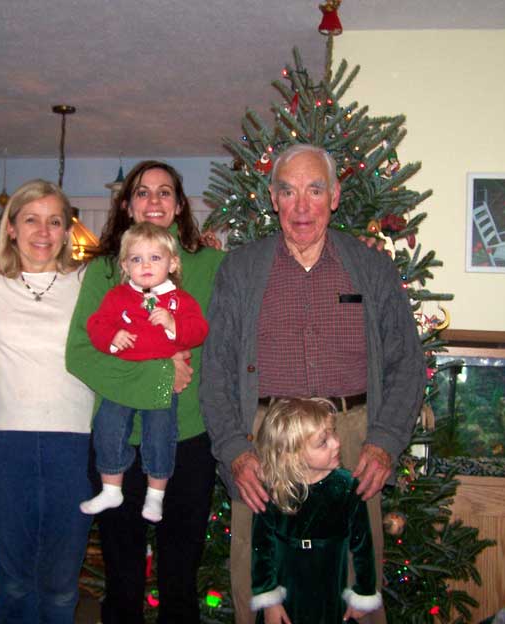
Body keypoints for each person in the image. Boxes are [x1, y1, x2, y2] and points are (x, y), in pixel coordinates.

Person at [200, 143, 426, 624]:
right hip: (265, 440)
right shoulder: (240, 269)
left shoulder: (371, 267)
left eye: (315, 190)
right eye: (288, 191)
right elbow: (215, 369)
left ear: (335, 196)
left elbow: (407, 361)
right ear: (273, 199)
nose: (301, 206)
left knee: (355, 582)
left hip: (351, 438)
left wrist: (385, 443)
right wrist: (235, 450)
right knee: (261, 585)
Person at [66, 160, 223, 623]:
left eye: (164, 192)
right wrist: (158, 378)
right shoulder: (105, 270)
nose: (153, 201)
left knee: (180, 578)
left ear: (179, 205)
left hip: (189, 439)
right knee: (123, 580)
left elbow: (257, 294)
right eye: (142, 192)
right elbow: (81, 353)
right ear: (126, 205)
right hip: (119, 444)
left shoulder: (211, 264)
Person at [0, 179, 95, 622]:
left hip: (74, 445)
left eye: (54, 221)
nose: (43, 231)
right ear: (11, 228)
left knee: (61, 586)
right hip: (8, 444)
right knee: (15, 581)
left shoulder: (88, 282)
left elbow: (150, 282)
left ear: (67, 231)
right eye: (31, 220)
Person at [80, 222, 209, 523]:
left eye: (155, 258)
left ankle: (156, 494)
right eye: (137, 259)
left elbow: (199, 330)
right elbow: (96, 325)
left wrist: (173, 324)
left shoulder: (179, 300)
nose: (146, 265)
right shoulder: (117, 297)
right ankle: (111, 487)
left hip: (161, 382)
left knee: (160, 432)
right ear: (125, 266)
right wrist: (112, 337)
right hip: (124, 379)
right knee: (108, 425)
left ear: (172, 263)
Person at [251, 398, 381, 624]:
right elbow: (261, 550)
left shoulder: (346, 487)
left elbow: (363, 546)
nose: (336, 443)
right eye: (323, 442)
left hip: (331, 603)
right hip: (288, 605)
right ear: (291, 454)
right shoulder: (273, 492)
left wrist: (364, 592)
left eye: (334, 433)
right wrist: (270, 600)